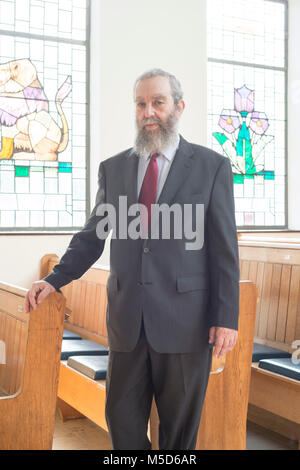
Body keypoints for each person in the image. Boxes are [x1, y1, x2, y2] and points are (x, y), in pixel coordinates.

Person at [25, 69, 240, 450]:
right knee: (122, 427)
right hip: (127, 323)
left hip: (186, 325)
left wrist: (225, 318)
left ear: (179, 106)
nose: (148, 112)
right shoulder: (115, 168)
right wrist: (54, 279)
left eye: (158, 102)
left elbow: (224, 251)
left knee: (178, 436)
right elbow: (93, 236)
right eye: (141, 104)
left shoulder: (212, 167)